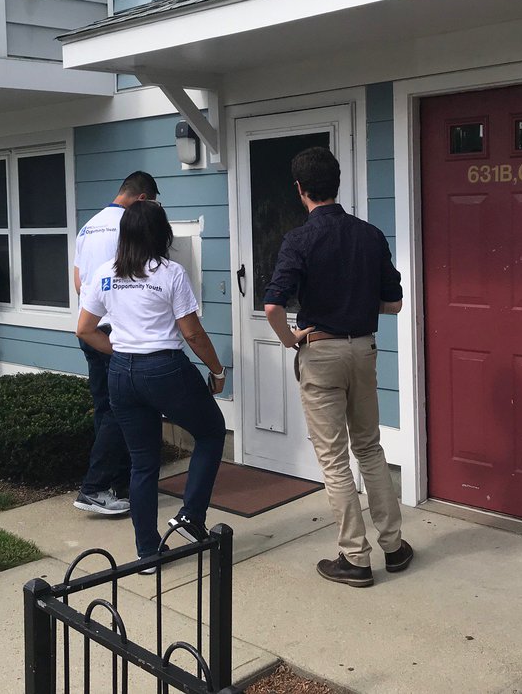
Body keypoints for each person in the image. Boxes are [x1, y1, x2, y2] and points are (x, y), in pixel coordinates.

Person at [263, 146, 412, 588]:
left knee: (334, 460)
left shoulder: (299, 240)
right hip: (363, 349)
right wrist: (358, 304)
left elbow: (272, 305)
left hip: (321, 352)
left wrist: (292, 339)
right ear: (338, 183)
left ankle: (355, 558)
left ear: (300, 189)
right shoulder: (370, 235)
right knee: (369, 448)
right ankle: (395, 546)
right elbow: (396, 303)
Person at [76, 199, 228, 561]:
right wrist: (218, 371)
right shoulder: (170, 273)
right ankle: (191, 515)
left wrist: (121, 352)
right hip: (165, 370)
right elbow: (192, 334)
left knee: (143, 462)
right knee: (211, 431)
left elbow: (84, 329)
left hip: (121, 375)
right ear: (162, 234)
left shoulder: (104, 273)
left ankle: (147, 554)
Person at [70, 171, 159, 517]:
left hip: (89, 327)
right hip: (116, 333)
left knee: (105, 410)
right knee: (121, 412)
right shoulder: (130, 226)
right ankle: (94, 487)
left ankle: (116, 485)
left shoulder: (89, 226)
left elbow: (80, 283)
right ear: (141, 199)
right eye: (151, 204)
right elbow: (141, 278)